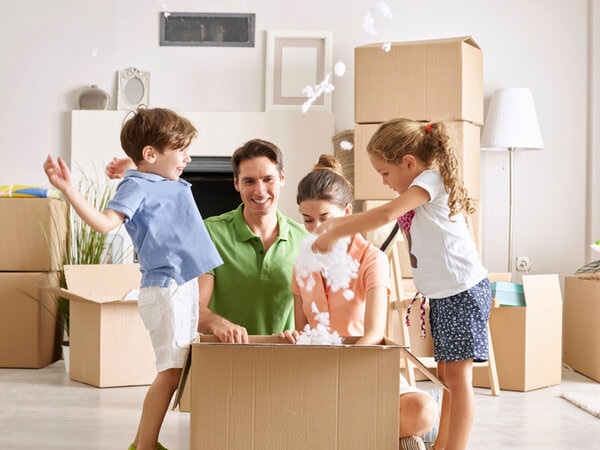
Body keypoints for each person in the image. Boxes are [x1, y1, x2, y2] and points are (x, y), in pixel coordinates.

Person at [44, 107, 223, 450]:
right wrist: (70, 189)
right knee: (170, 372)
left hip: (181, 284)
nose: (187, 157)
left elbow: (148, 172)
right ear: (152, 154)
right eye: (181, 150)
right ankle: (145, 446)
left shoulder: (154, 177)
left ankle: (140, 444)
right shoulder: (136, 185)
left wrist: (130, 164)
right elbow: (105, 221)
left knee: (178, 368)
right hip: (166, 287)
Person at [312, 119, 491, 450]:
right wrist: (337, 224)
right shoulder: (420, 185)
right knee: (448, 378)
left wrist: (337, 229)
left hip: (462, 293)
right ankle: (442, 446)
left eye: (385, 172)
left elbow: (385, 215)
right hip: (446, 295)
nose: (384, 181)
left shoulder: (428, 182)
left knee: (459, 381)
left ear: (408, 162)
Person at [281, 154, 438, 450]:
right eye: (308, 220)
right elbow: (303, 331)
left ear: (349, 212)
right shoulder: (302, 262)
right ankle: (366, 435)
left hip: (365, 369)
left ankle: (340, 434)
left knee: (423, 410)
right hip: (315, 374)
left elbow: (374, 334)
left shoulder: (371, 259)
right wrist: (295, 338)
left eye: (326, 219)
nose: (317, 229)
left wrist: (343, 372)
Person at [106, 138, 308, 342]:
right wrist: (216, 322)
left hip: (285, 357)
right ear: (236, 183)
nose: (260, 190)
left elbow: (315, 312)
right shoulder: (209, 233)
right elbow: (194, 305)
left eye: (268, 179)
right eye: (249, 181)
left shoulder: (305, 240)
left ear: (282, 177)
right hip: (225, 357)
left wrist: (303, 334)